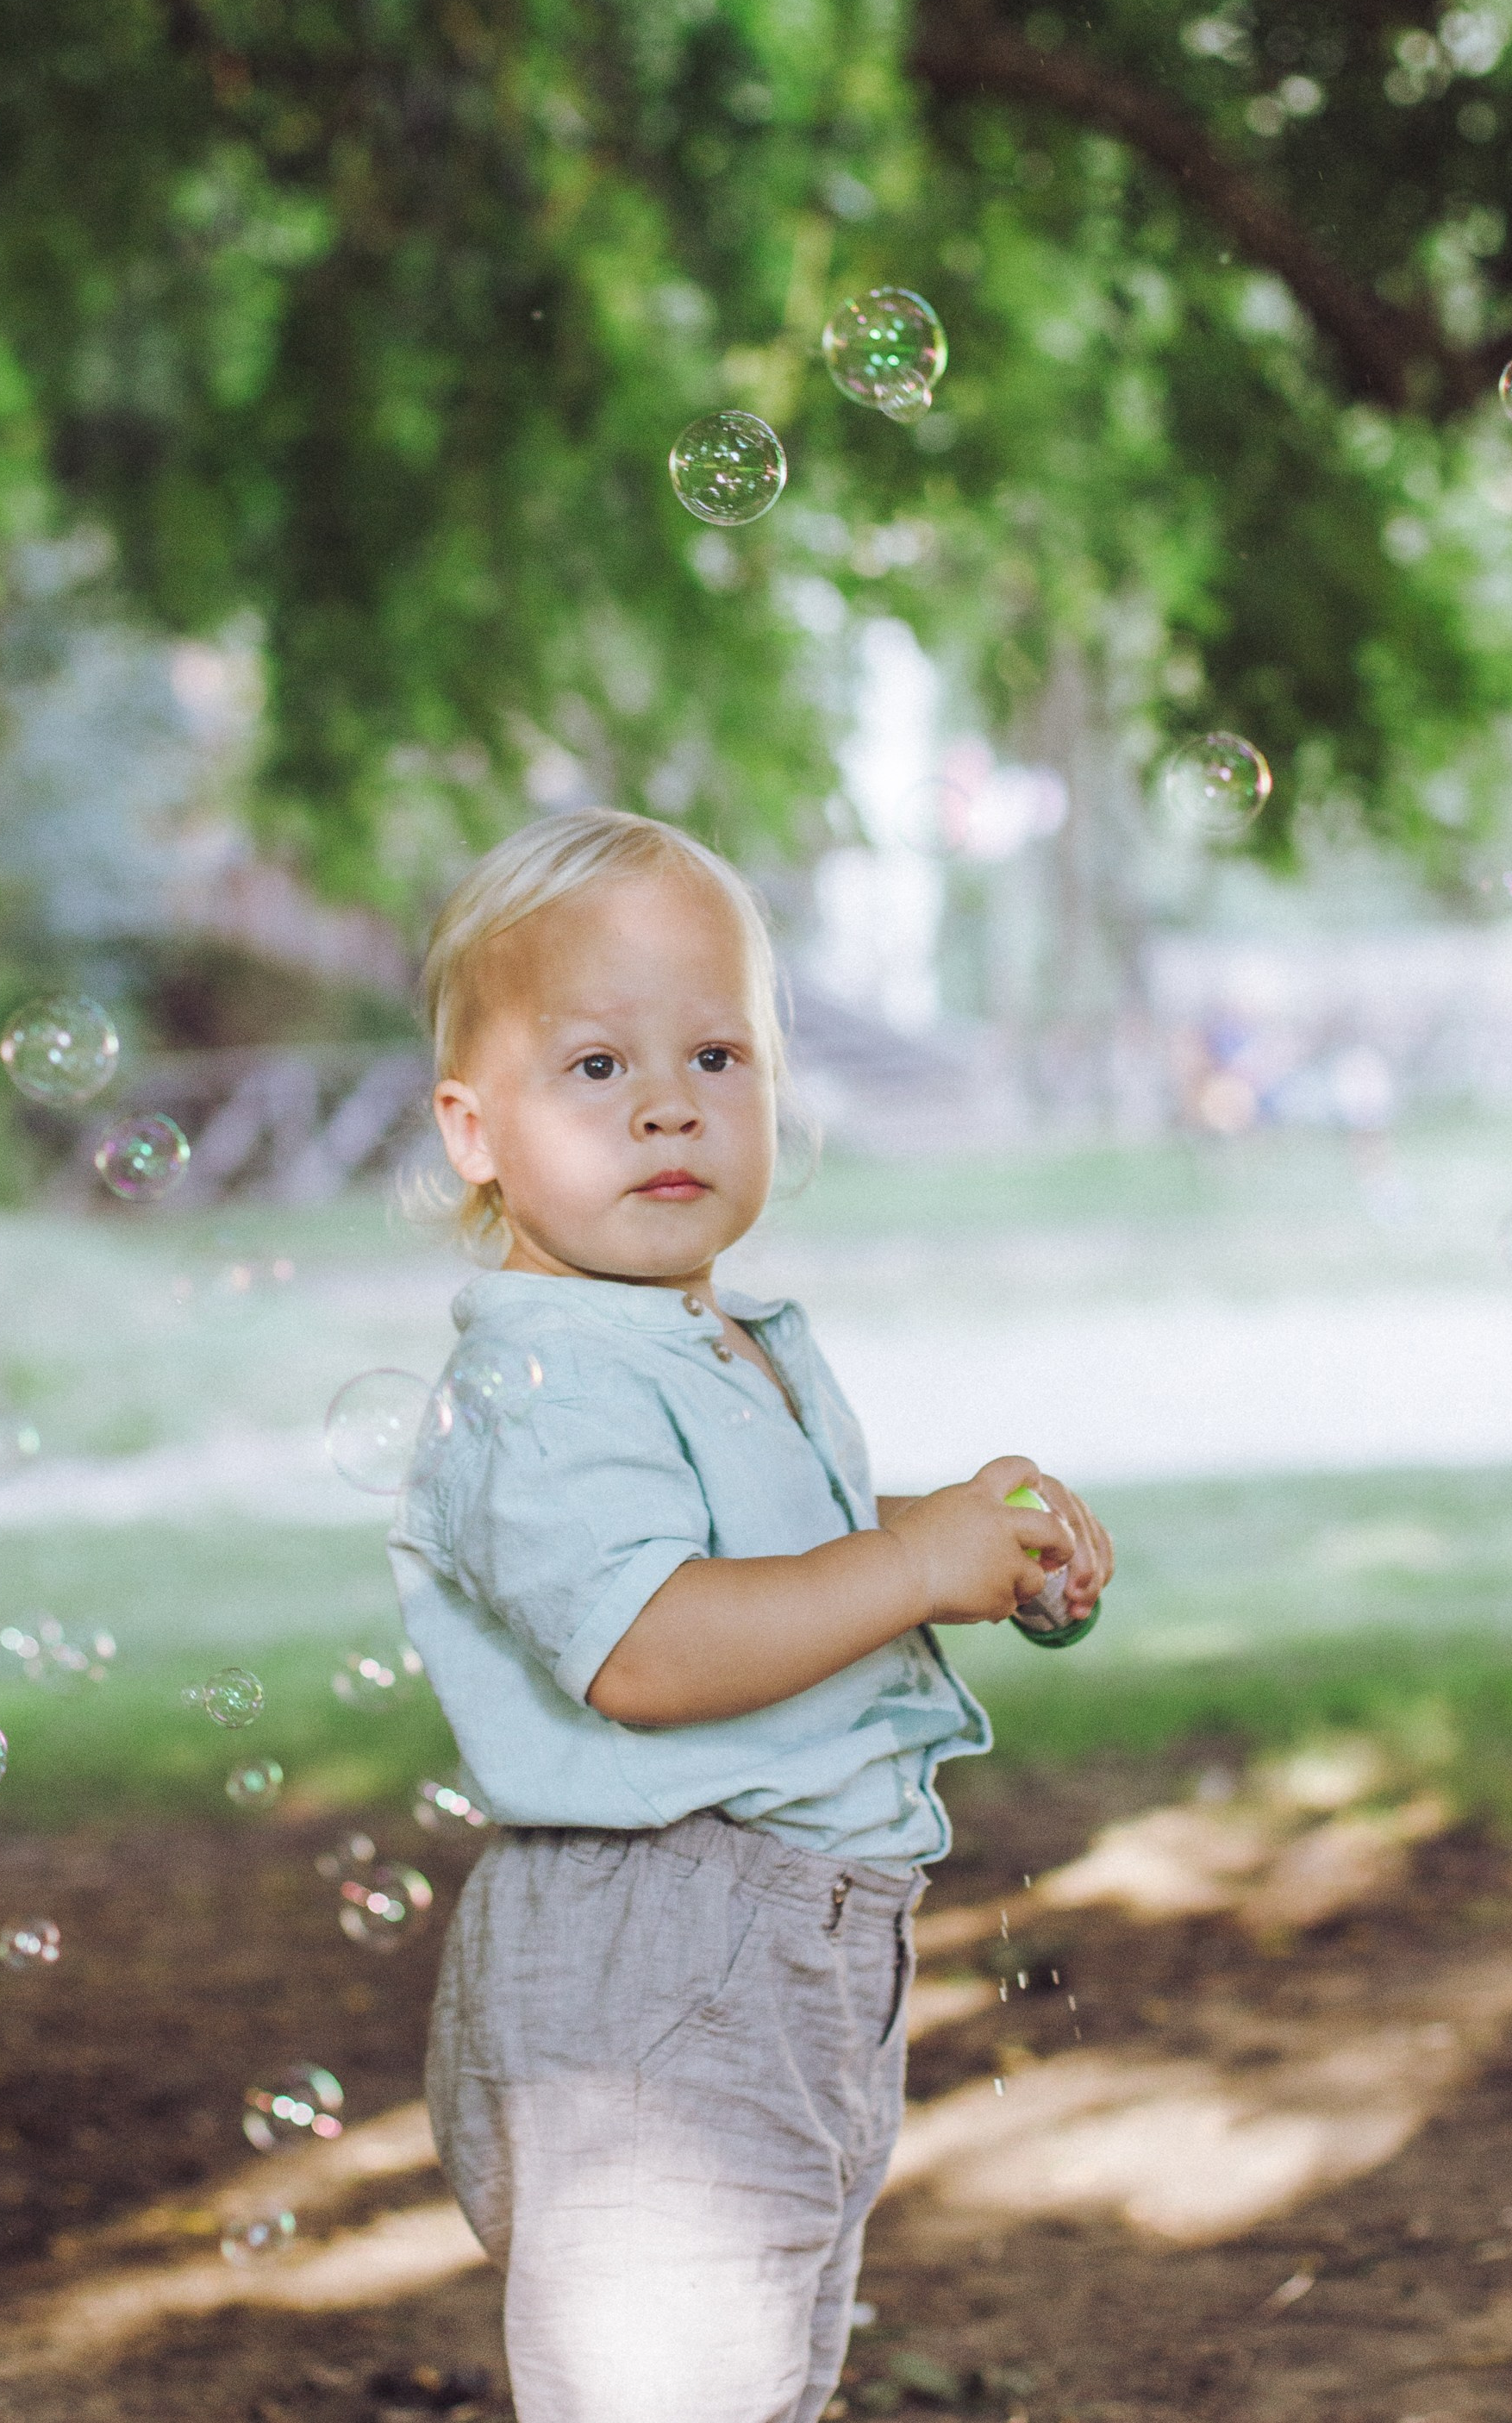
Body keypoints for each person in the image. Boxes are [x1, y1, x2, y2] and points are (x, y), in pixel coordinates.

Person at [387, 807, 1114, 2423]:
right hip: (657, 1962)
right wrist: (909, 1568)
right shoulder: (543, 1379)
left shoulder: (706, 1339)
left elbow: (783, 1572)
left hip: (787, 1951)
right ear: (472, 1131)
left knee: (755, 2378)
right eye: (596, 1066)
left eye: (716, 1055)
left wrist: (971, 1552)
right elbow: (650, 1648)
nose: (669, 1103)